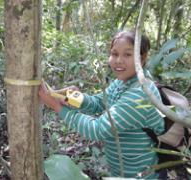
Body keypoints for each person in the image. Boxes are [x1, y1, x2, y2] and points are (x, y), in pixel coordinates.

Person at [39, 29, 165, 179]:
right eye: (114, 53)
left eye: (127, 54)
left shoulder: (141, 94)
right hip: (120, 172)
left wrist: (57, 107)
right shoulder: (122, 82)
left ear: (142, 58)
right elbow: (99, 102)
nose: (118, 60)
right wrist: (70, 97)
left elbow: (97, 129)